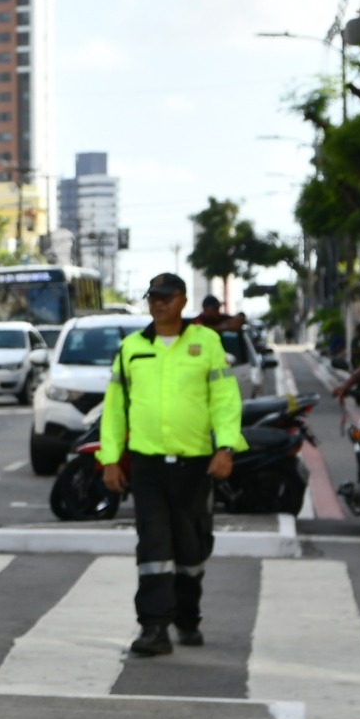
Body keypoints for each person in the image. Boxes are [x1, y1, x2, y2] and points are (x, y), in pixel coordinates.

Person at [99, 272, 247, 657]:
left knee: (191, 546)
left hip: (195, 464)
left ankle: (187, 616)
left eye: (166, 297)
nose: (159, 303)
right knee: (153, 543)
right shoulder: (132, 348)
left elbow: (225, 400)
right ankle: (154, 628)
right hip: (147, 464)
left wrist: (225, 448)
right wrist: (110, 459)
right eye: (153, 297)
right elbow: (115, 409)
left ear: (182, 300)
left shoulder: (206, 343)